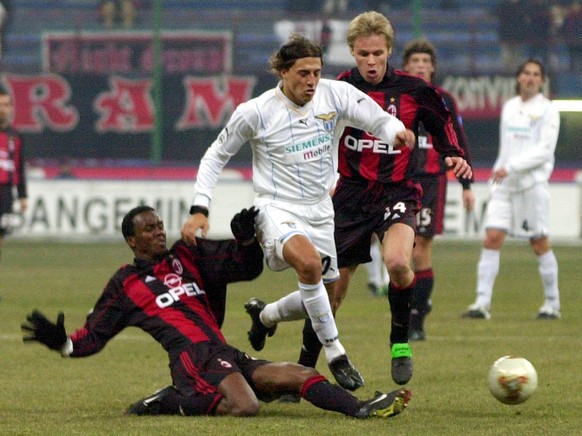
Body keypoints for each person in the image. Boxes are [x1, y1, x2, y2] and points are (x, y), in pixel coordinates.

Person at [181, 34, 415, 392]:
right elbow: (215, 156)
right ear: (283, 71)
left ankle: (265, 315)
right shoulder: (256, 111)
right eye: (303, 73)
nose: (311, 81)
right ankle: (336, 353)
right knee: (308, 266)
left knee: (326, 294)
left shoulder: (334, 94)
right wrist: (200, 207)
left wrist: (396, 133)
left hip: (322, 209)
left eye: (316, 72)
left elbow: (377, 119)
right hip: (276, 207)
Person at [21, 205, 412, 419]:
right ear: (130, 240)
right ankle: (169, 401)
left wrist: (244, 240)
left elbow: (242, 266)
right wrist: (65, 345)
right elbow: (95, 334)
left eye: (160, 225)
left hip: (222, 351)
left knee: (301, 374)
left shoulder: (188, 255)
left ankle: (360, 408)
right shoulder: (125, 284)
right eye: (148, 229)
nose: (159, 232)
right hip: (191, 359)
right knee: (246, 406)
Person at [281, 12, 471, 397]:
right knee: (330, 290)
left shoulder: (415, 91)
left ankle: (400, 342)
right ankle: (303, 370)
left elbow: (443, 122)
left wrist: (453, 154)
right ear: (352, 51)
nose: (371, 61)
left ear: (389, 52)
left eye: (378, 53)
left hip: (398, 191)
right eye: (363, 53)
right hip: (350, 195)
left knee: (400, 262)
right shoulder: (335, 88)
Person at [462, 59, 561, 321]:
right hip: (505, 184)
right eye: (526, 73)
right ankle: (481, 304)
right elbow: (506, 148)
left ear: (541, 80)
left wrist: (512, 167)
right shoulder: (509, 107)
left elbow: (544, 151)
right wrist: (499, 171)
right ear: (518, 78)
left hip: (531, 185)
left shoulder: (548, 110)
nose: (530, 78)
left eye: (536, 74)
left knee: (539, 242)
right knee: (492, 237)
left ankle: (553, 304)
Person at [401, 38, 475, 341]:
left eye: (425, 62)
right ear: (406, 67)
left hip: (432, 181)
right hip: (401, 180)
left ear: (432, 67)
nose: (420, 66)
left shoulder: (443, 99)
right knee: (400, 252)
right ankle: (413, 307)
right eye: (415, 61)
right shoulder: (397, 96)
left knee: (420, 251)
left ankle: (416, 320)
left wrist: (467, 185)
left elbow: (457, 140)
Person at [0, 89, 27, 265]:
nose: (3, 109)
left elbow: (19, 166)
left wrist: (22, 195)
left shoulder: (15, 136)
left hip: (5, 194)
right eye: (0, 105)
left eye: (6, 105)